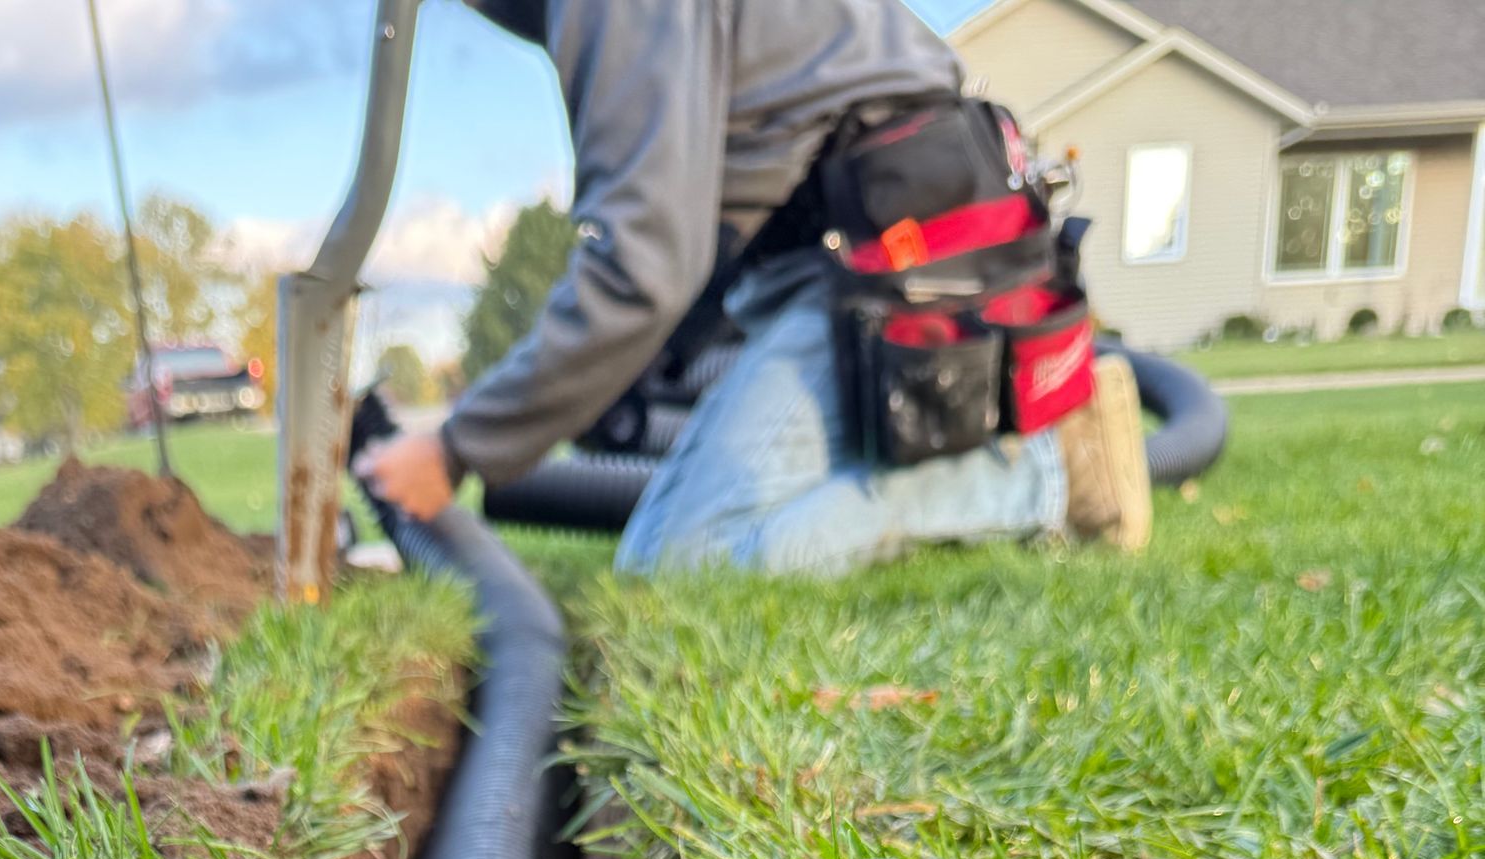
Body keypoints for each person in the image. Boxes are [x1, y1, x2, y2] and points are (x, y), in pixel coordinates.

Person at [358, 0, 1151, 572]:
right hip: (842, 242)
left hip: (896, 244)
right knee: (666, 533)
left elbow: (641, 265)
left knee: (687, 556)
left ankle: (1044, 475)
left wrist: (458, 446)